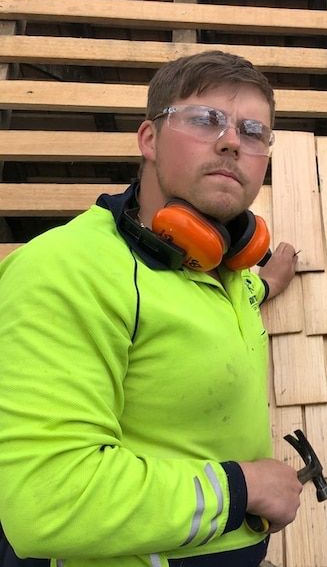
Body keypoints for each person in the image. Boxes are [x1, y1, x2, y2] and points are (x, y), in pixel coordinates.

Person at [0, 50, 304, 566]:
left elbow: (209, 311)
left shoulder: (219, 268)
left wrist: (265, 285)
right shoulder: (67, 270)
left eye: (254, 132)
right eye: (206, 120)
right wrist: (243, 488)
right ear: (149, 139)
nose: (232, 141)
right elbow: (49, 501)